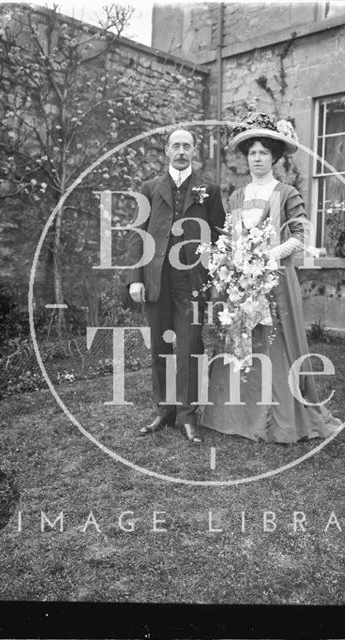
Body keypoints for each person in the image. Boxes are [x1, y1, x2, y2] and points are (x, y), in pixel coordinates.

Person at [201, 113, 341, 443]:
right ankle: (237, 416)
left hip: (276, 280)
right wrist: (234, 262)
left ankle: (281, 419)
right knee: (242, 339)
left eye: (264, 152)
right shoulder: (236, 196)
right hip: (243, 283)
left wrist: (266, 257)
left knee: (275, 342)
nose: (258, 158)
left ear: (275, 158)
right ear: (246, 157)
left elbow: (299, 235)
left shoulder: (286, 192)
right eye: (252, 152)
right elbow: (233, 236)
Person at [126, 128, 225, 443]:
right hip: (157, 279)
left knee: (190, 346)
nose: (181, 151)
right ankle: (164, 411)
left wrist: (214, 274)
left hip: (192, 281)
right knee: (159, 346)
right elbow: (137, 235)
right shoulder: (150, 187)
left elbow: (219, 237)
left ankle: (186, 415)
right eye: (176, 146)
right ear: (167, 151)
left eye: (187, 146)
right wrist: (135, 279)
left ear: (194, 151)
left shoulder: (209, 190)